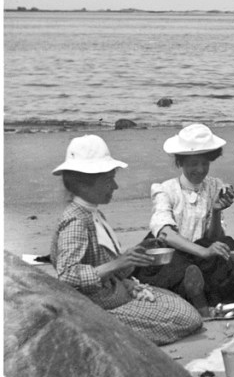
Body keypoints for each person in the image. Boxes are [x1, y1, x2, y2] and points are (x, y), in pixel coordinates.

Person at [50, 135, 204, 346]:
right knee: (186, 318)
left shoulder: (92, 213)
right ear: (84, 184)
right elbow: (67, 276)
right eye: (109, 180)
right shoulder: (76, 221)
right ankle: (95, 330)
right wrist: (118, 263)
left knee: (181, 307)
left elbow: (105, 264)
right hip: (98, 304)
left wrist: (132, 257)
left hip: (115, 292)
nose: (115, 186)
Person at [144, 123, 234, 309]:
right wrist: (203, 252)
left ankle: (204, 291)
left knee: (228, 244)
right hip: (176, 253)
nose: (200, 169)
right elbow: (165, 233)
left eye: (205, 163)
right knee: (179, 266)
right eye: (193, 164)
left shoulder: (214, 186)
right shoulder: (165, 189)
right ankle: (198, 295)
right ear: (180, 162)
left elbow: (213, 238)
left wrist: (216, 211)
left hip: (205, 255)